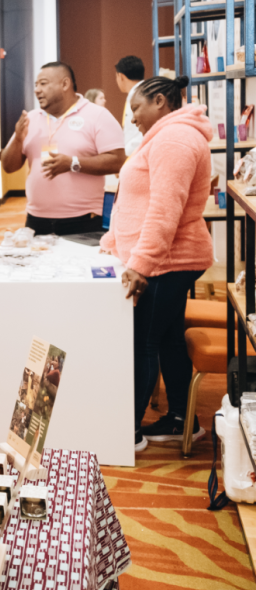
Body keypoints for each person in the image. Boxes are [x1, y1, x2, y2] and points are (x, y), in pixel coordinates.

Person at [99, 75, 213, 452]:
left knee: (142, 342)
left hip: (167, 260)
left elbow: (165, 211)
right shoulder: (167, 136)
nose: (132, 117)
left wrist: (141, 265)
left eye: (136, 108)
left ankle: (127, 431)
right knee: (166, 339)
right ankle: (182, 420)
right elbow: (137, 201)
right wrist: (113, 243)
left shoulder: (174, 139)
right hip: (164, 258)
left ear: (160, 102)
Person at [0, 61, 126, 235]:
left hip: (83, 220)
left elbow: (118, 161)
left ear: (65, 84)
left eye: (43, 84)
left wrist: (72, 163)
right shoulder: (30, 118)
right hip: (36, 220)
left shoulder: (97, 115)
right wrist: (18, 139)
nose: (37, 90)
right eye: (36, 85)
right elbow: (8, 166)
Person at [115, 55, 146, 156]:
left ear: (121, 76)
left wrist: (125, 156)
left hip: (137, 154)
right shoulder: (139, 92)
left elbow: (141, 134)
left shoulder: (140, 96)